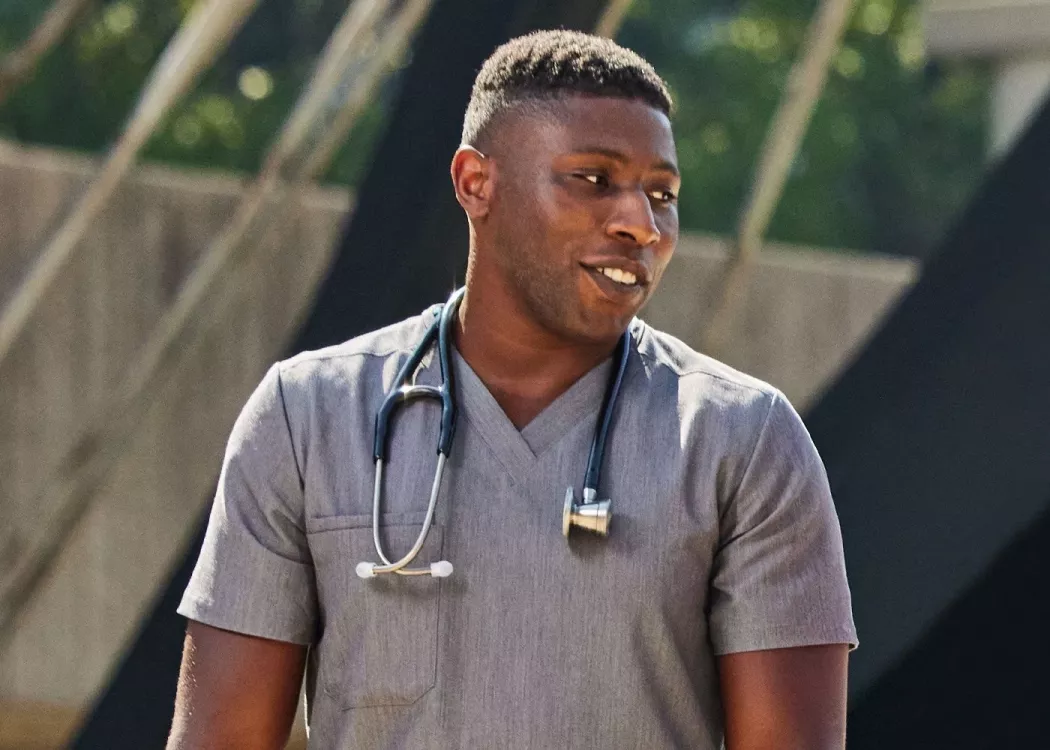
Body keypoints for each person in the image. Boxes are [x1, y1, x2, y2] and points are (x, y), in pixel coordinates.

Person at [167, 29, 857, 750]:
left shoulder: (743, 444)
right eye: (594, 179)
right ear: (476, 184)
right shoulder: (307, 419)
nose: (640, 223)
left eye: (663, 193)